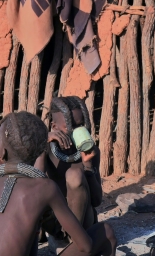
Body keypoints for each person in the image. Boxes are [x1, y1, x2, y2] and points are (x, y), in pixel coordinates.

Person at [0, 111, 116, 256]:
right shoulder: (45, 189)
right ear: (41, 149)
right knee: (106, 232)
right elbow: (86, 246)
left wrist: (1, 167)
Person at [35, 96, 102, 232]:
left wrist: (88, 165)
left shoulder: (91, 152)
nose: (77, 131)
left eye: (80, 125)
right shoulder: (46, 149)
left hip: (82, 221)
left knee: (75, 175)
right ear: (54, 127)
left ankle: (75, 241)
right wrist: (41, 146)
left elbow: (96, 201)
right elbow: (35, 188)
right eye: (70, 127)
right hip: (54, 220)